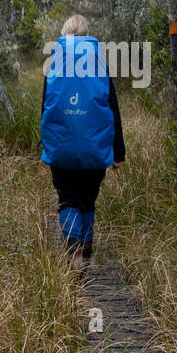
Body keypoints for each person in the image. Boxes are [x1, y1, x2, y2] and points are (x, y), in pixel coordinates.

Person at [40, 14, 125, 263]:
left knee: (68, 198)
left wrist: (47, 147)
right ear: (86, 33)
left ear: (64, 33)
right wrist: (118, 152)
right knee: (88, 200)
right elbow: (112, 108)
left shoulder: (54, 63)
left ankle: (73, 250)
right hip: (95, 148)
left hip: (61, 148)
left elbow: (47, 108)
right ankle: (85, 253)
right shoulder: (98, 63)